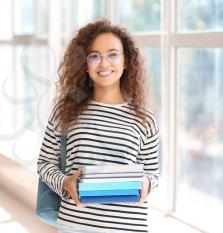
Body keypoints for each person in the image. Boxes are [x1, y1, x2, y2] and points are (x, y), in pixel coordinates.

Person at [37, 18, 160, 233]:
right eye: (94, 56)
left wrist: (147, 183)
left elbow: (153, 173)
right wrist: (66, 182)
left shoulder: (145, 119)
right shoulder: (65, 111)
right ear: (84, 64)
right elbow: (45, 163)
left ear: (125, 61)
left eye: (112, 54)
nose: (104, 64)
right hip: (76, 225)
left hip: (128, 227)